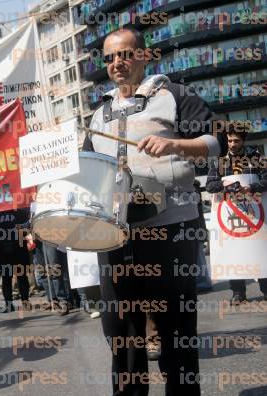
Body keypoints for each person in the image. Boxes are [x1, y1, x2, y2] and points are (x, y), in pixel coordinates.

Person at [83, 27, 226, 395]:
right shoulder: (98, 113)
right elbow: (89, 172)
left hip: (170, 230)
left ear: (143, 57)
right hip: (115, 237)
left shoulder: (175, 95)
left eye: (126, 54)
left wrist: (175, 143)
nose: (117, 62)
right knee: (121, 333)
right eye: (110, 56)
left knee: (176, 329)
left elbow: (217, 141)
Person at [206, 127, 267, 303]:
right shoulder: (219, 161)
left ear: (243, 141)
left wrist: (252, 187)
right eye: (230, 140)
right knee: (234, 253)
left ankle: (266, 289)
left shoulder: (256, 158)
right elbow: (210, 185)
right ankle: (238, 293)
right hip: (229, 214)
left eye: (236, 141)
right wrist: (225, 187)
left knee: (259, 251)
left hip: (255, 214)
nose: (233, 144)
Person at [0, 208, 32, 313]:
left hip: (19, 249)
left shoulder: (20, 211)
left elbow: (27, 229)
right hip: (3, 250)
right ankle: (9, 304)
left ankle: (25, 301)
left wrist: (28, 239)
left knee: (22, 277)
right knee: (6, 279)